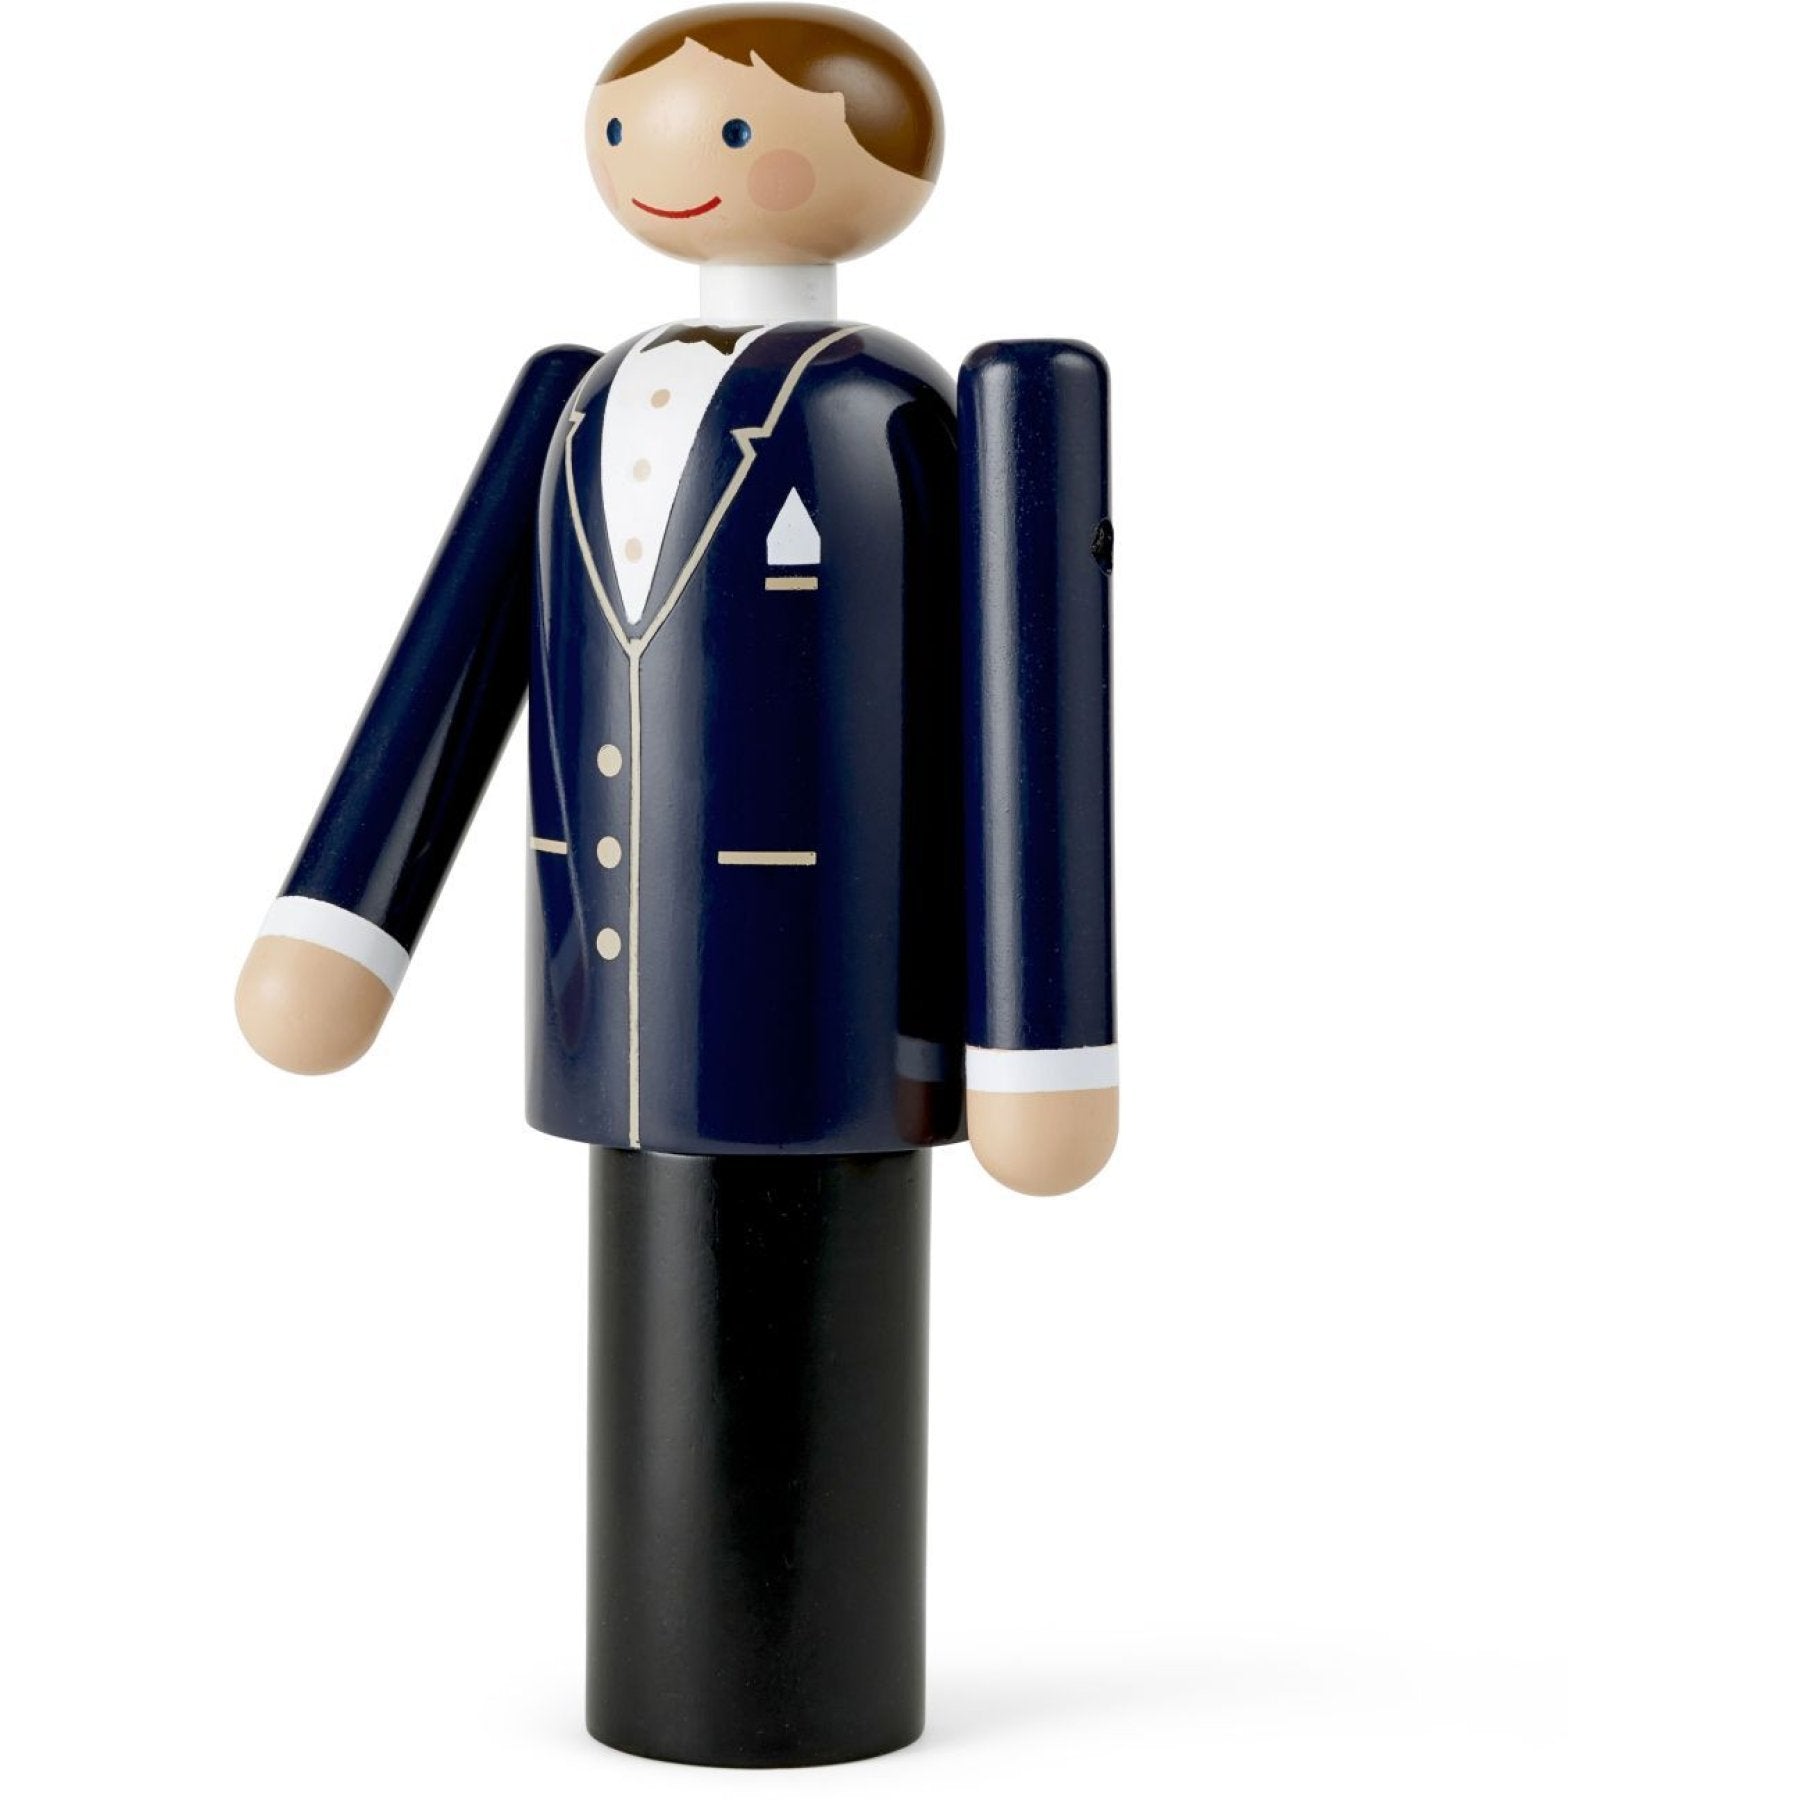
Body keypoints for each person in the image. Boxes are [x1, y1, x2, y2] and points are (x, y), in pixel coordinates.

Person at [235, 4, 1116, 1767]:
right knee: (660, 1339)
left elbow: (1032, 716)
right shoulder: (569, 402)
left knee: (812, 1355)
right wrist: (341, 920)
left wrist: (1043, 1042)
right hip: (616, 1002)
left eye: (729, 136)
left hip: (832, 1003)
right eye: (641, 131)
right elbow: (452, 661)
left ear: (886, 166)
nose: (675, 169)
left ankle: (804, 1686)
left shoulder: (905, 414)